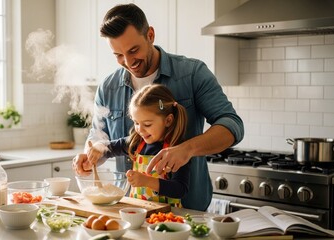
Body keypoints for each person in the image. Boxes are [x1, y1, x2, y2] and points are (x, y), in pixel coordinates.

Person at [73, 3, 244, 211]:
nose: (128, 62)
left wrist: (186, 149)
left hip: (188, 210)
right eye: (118, 55)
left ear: (150, 35)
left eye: (133, 50)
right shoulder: (108, 88)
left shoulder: (192, 73)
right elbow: (99, 137)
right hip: (129, 210)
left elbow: (232, 125)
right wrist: (90, 156)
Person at [82, 84, 190, 207]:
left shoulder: (177, 151)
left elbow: (180, 190)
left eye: (147, 124)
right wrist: (98, 148)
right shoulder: (136, 143)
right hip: (138, 213)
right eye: (136, 123)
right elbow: (110, 148)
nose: (140, 130)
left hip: (165, 218)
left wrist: (147, 181)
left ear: (168, 120)